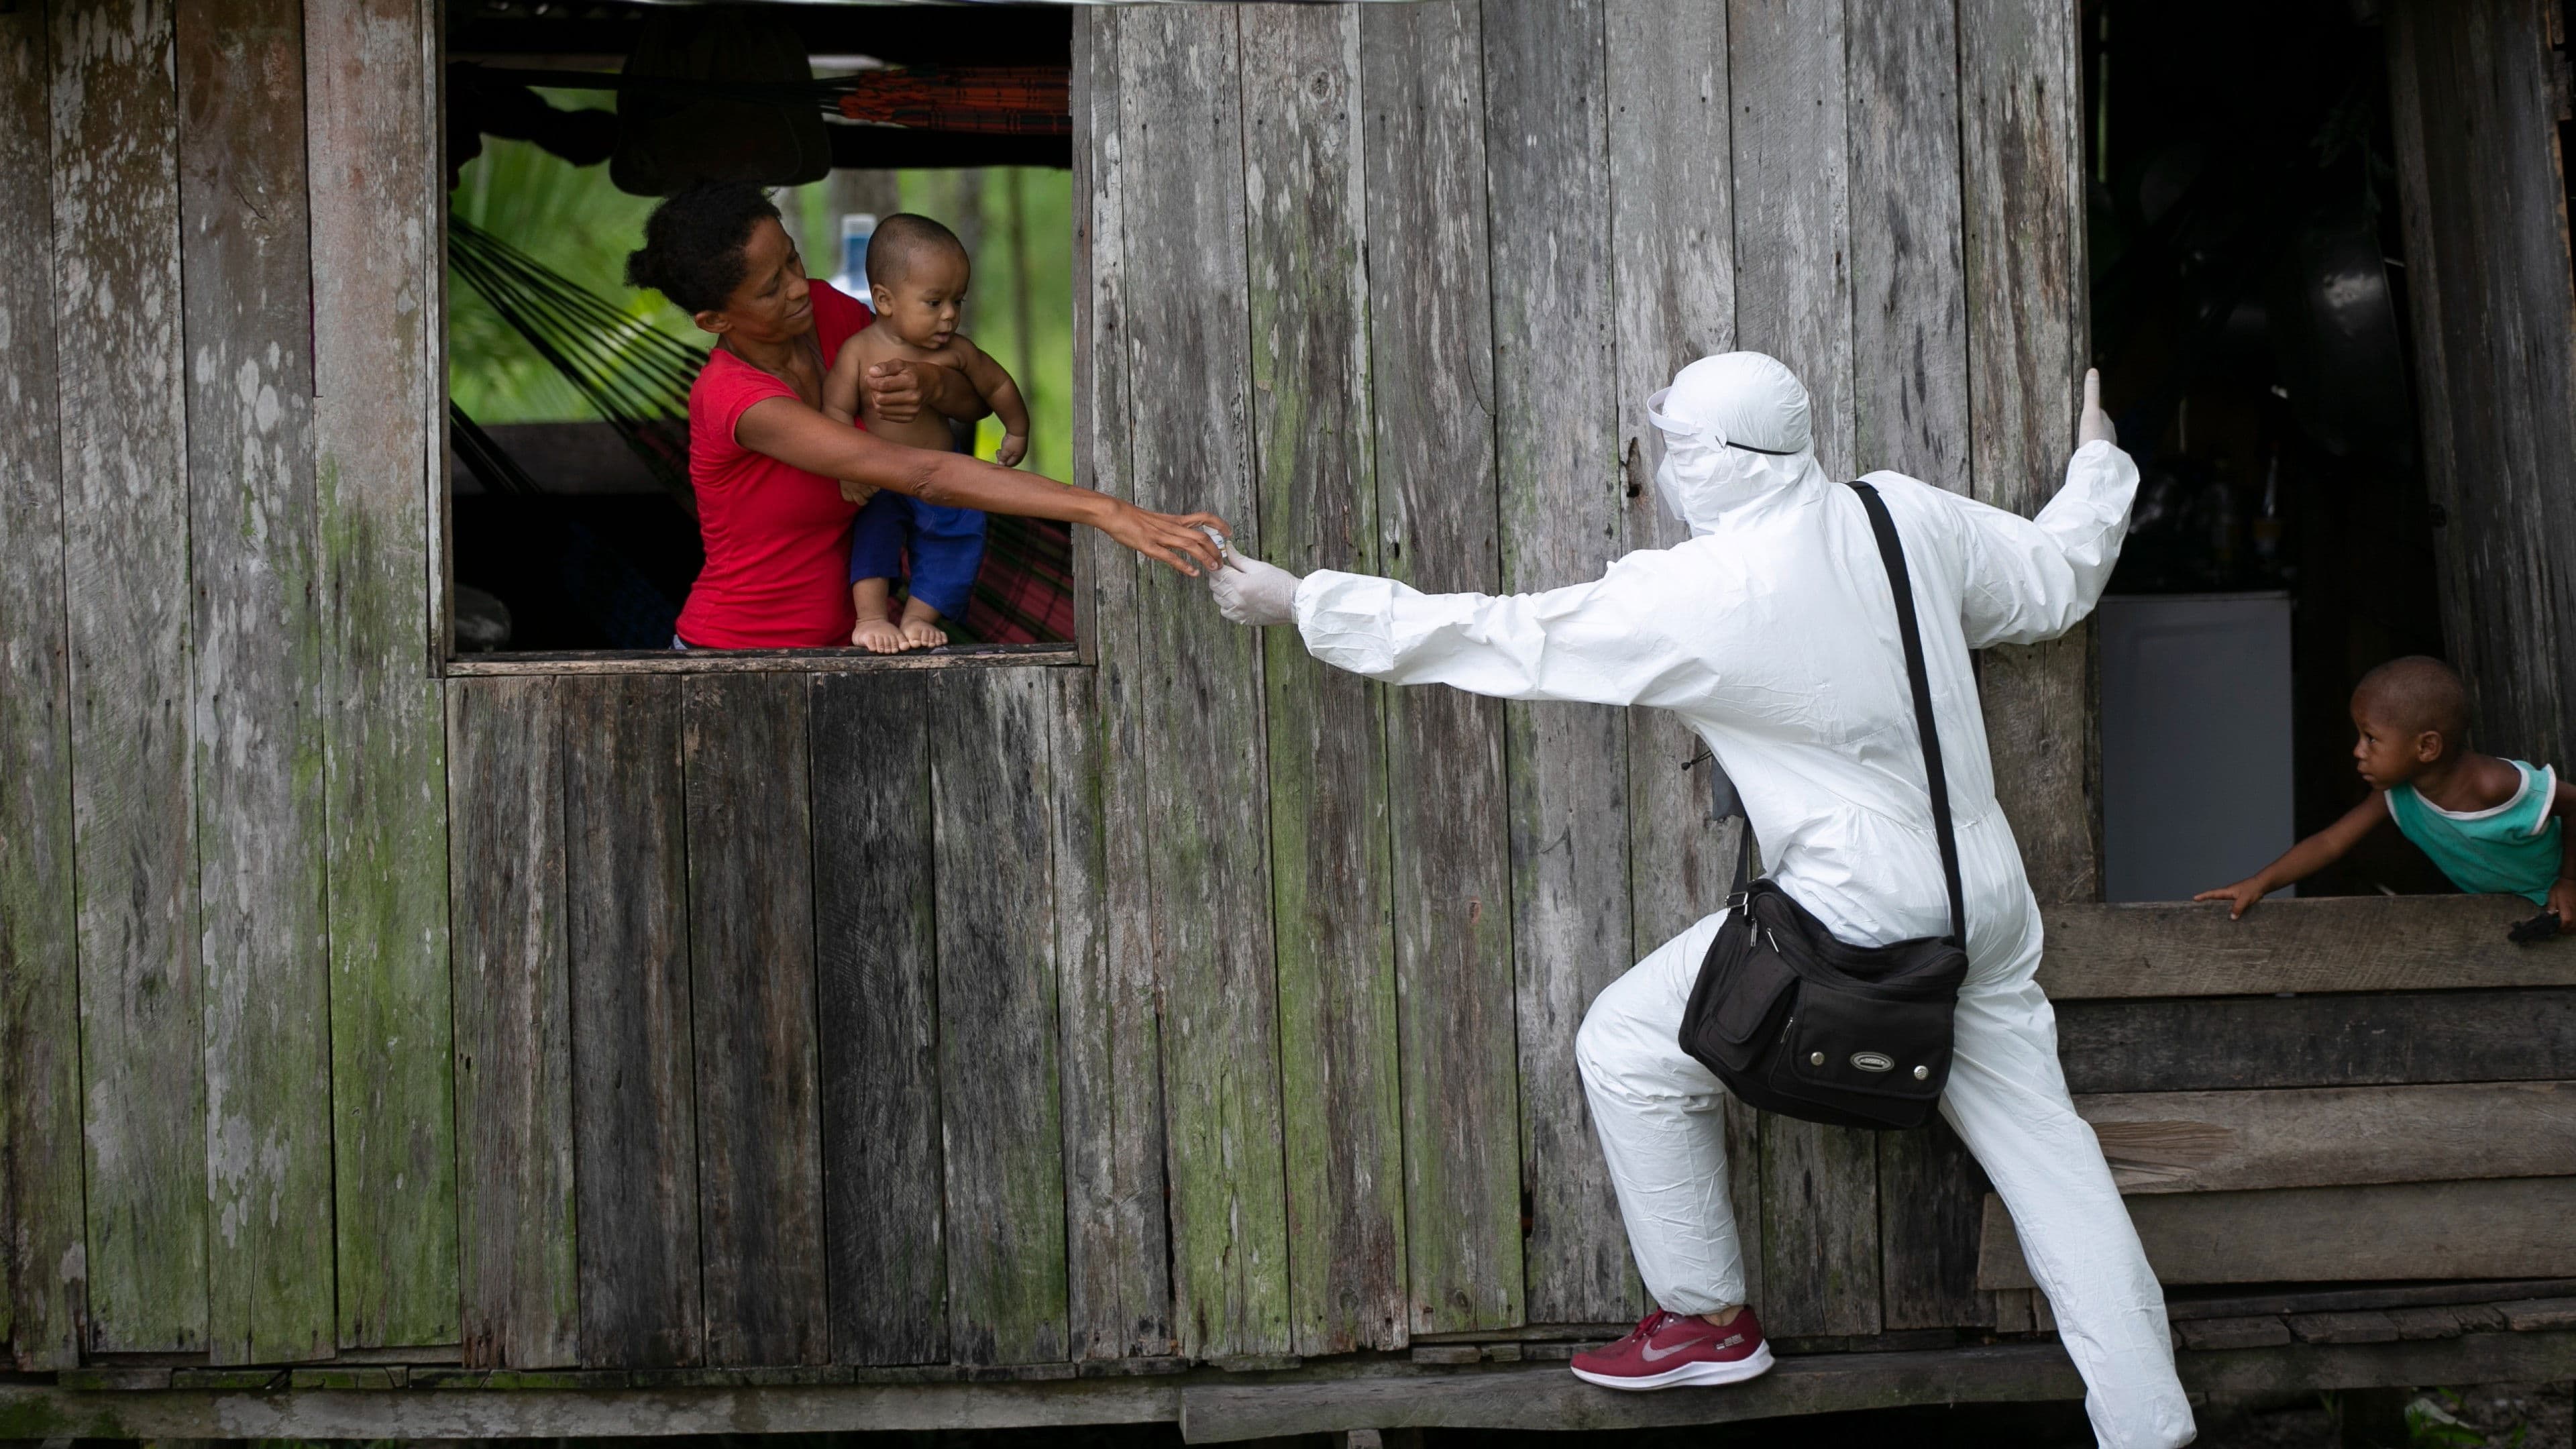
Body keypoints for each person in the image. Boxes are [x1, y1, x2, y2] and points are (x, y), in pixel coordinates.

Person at [1209, 355, 2196, 1448]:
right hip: (1988, 908)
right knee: (2055, 1170)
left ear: (1720, 462)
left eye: (1679, 449)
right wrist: (2100, 465)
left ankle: (1707, 1318)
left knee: (1627, 1042)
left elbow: (1505, 635)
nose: (1668, 468)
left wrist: (1302, 601)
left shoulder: (1704, 593)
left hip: (1859, 919)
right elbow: (2058, 578)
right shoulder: (1895, 514)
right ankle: (2151, 1427)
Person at [622, 181, 1224, 649]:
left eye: (792, 261)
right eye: (769, 289)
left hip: (859, 643)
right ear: (715, 321)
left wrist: (934, 386)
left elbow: (966, 413)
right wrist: (1105, 510)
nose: (798, 287)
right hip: (739, 655)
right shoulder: (734, 398)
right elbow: (918, 473)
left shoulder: (830, 315)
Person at [2197, 656, 2575, 928]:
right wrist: (2259, 884)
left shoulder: (2494, 786)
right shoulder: (2398, 794)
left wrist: (2569, 881)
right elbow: (2331, 843)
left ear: (2426, 748)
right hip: (2524, 913)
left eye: (2371, 738)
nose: (2358, 751)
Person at [822, 213, 1029, 653]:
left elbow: (997, 385)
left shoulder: (957, 352)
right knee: (872, 539)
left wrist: (1016, 429)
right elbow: (836, 409)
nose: (950, 315)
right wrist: (847, 469)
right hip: (882, 477)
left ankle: (919, 616)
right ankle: (871, 618)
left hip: (942, 477)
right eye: (934, 303)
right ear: (885, 299)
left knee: (959, 537)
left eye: (959, 302)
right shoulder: (858, 352)